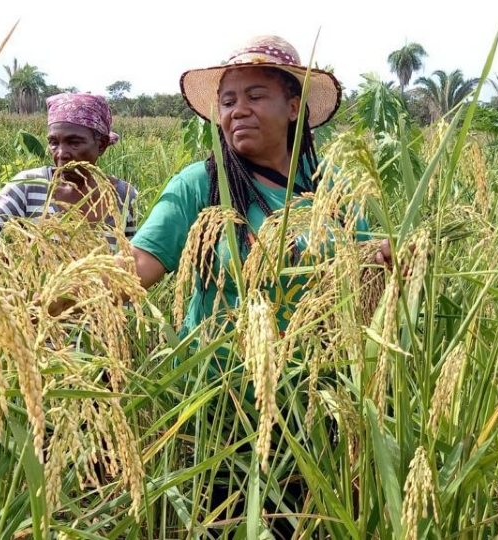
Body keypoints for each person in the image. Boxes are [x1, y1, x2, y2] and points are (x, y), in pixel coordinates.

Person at [122, 34, 393, 537]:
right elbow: (138, 265)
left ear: (294, 108)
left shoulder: (329, 183)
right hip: (220, 414)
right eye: (228, 101)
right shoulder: (199, 184)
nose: (237, 111)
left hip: (315, 403)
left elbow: (357, 257)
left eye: (255, 96)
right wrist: (56, 294)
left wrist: (387, 253)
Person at [0, 93, 137, 279]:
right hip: (38, 305)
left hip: (103, 306)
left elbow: (131, 262)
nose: (62, 154)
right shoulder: (29, 185)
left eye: (74, 143)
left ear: (101, 145)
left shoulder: (124, 195)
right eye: (54, 143)